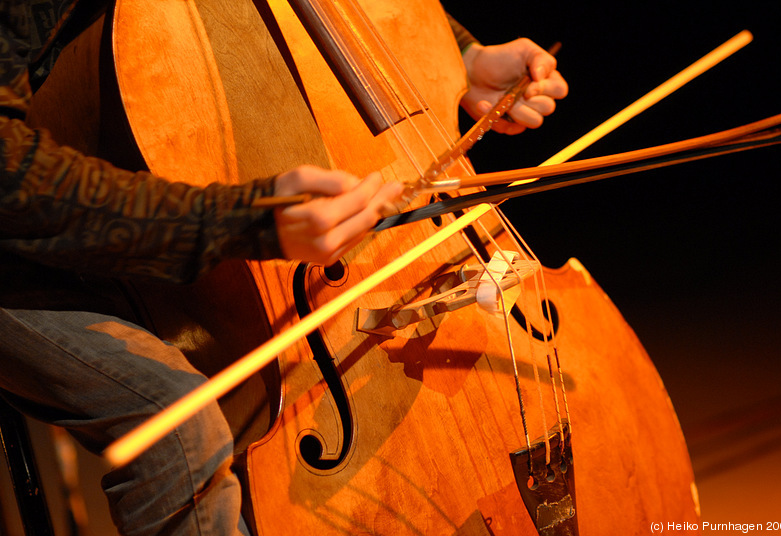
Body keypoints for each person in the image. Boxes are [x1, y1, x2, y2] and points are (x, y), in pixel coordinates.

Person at [0, 1, 568, 534]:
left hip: (140, 223)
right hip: (20, 251)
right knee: (175, 426)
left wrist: (459, 52)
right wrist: (238, 224)